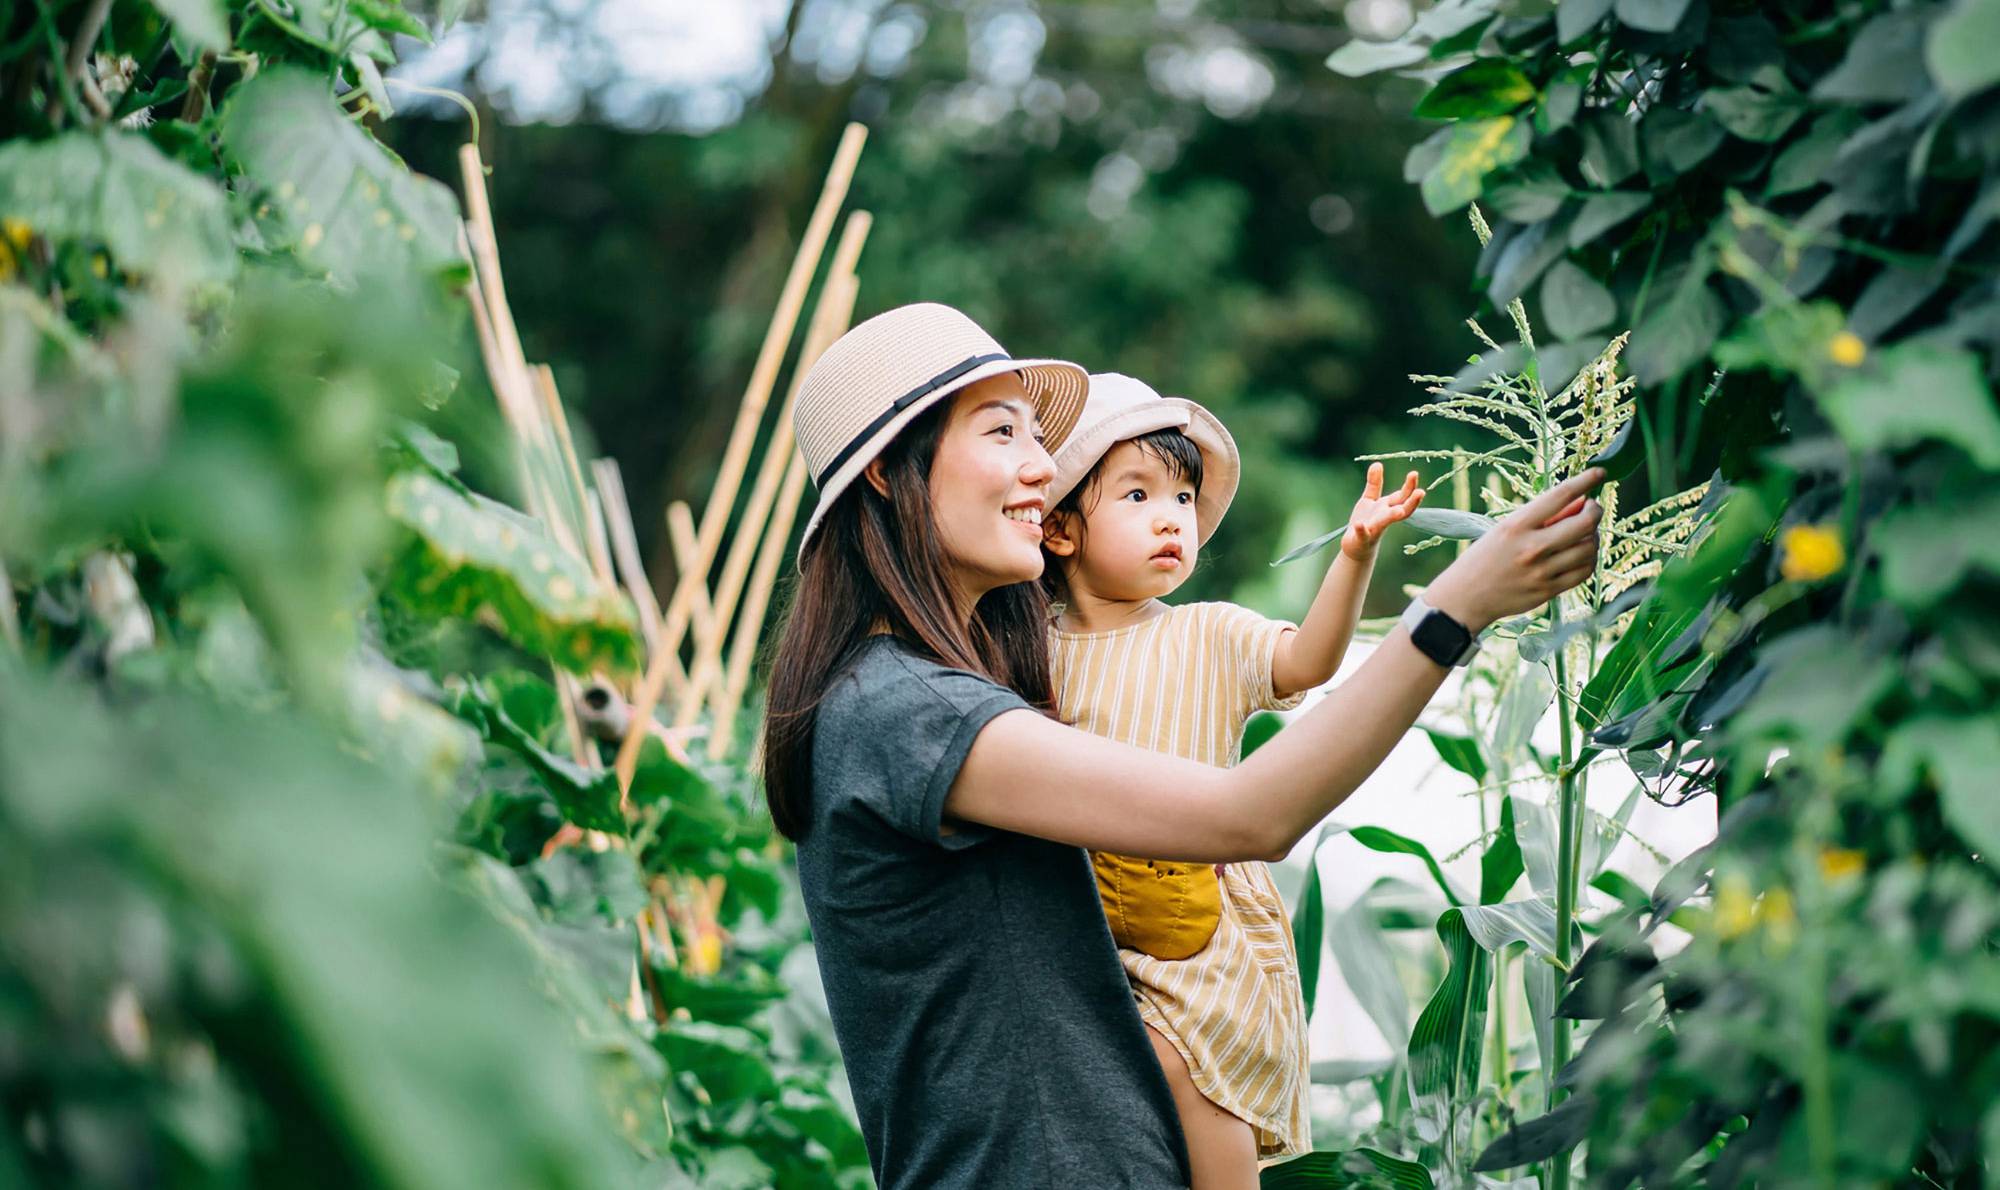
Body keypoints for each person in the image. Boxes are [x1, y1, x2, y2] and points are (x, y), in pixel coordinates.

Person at [761, 303, 1604, 1190]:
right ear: (892, 472)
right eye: (1002, 431)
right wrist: (1452, 609)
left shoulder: (927, 693)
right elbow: (1251, 813)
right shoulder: (905, 708)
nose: (1043, 466)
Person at [1037, 371, 1425, 1185]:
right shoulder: (1030, 653)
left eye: (1183, 496)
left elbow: (1308, 661)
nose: (1172, 518)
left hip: (1199, 926)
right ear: (1063, 531)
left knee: (1200, 1078)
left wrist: (1353, 558)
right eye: (1137, 496)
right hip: (1087, 924)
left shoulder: (1212, 634)